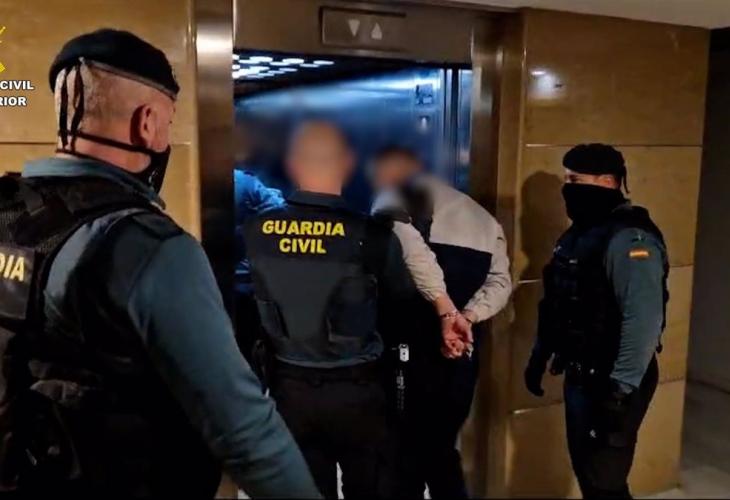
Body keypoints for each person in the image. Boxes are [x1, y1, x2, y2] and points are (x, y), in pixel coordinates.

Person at [0, 29, 320, 498]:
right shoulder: (147, 247)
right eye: (169, 121)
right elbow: (246, 432)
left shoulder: (9, 212)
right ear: (147, 123)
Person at [243, 122, 470, 499]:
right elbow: (401, 305)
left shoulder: (256, 231)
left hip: (288, 391)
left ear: (292, 164)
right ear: (347, 164)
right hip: (360, 393)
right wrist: (445, 315)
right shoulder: (373, 234)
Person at [524, 144, 669, 499]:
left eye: (575, 180)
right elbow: (558, 300)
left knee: (606, 481)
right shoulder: (578, 235)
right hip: (582, 374)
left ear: (607, 181)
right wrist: (540, 353)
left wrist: (620, 392)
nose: (567, 188)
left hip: (614, 379)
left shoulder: (630, 238)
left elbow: (643, 321)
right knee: (589, 472)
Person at [369, 147, 512, 499]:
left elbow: (413, 254)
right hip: (460, 352)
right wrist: (467, 317)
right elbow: (500, 282)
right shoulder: (483, 219)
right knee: (442, 450)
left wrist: (447, 312)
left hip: (406, 353)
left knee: (401, 454)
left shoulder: (393, 201)